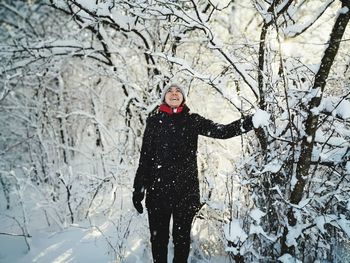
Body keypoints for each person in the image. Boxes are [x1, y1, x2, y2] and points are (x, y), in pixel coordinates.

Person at [132, 83, 254, 263]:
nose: (174, 94)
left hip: (185, 192)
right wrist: (138, 189)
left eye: (178, 91)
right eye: (170, 92)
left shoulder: (192, 120)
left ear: (183, 98)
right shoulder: (154, 122)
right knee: (158, 241)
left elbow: (223, 131)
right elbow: (145, 157)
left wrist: (250, 122)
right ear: (164, 97)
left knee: (182, 242)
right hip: (158, 192)